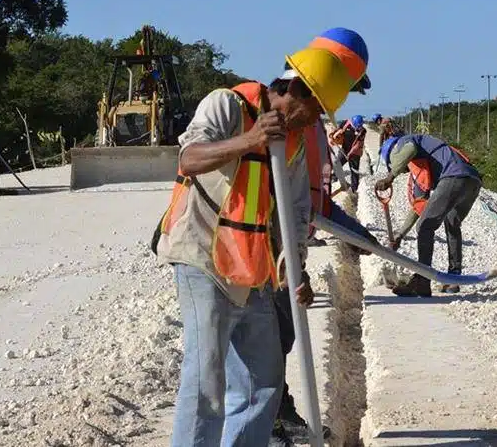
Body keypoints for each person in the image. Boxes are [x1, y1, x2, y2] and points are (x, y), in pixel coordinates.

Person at [153, 42, 359, 447]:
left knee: (263, 380)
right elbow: (189, 159)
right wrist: (250, 140)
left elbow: (295, 212)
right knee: (206, 378)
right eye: (315, 109)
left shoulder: (296, 142)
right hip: (203, 259)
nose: (315, 120)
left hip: (252, 269)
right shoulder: (226, 105)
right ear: (294, 91)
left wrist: (295, 270)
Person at [269, 27, 378, 446]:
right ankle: (273, 422)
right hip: (268, 244)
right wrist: (290, 258)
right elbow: (285, 197)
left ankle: (277, 412)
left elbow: (315, 198)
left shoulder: (309, 120)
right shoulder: (292, 114)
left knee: (282, 331)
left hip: (290, 236)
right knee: (273, 333)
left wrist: (361, 237)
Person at [375, 134, 482, 297]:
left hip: (454, 177)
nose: (402, 170)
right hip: (472, 180)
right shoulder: (421, 164)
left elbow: (409, 150)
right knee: (452, 224)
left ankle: (422, 281)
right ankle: (453, 280)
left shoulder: (407, 142)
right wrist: (400, 234)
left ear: (395, 153)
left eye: (392, 163)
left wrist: (390, 177)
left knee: (425, 227)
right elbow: (420, 205)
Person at [329, 114, 366, 192]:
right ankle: (334, 178)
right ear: (354, 123)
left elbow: (357, 145)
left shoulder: (363, 131)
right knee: (337, 163)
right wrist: (333, 135)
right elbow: (337, 129)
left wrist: (350, 154)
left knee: (354, 170)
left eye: (361, 126)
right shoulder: (346, 123)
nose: (359, 128)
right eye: (358, 126)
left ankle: (354, 189)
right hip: (344, 149)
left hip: (355, 153)